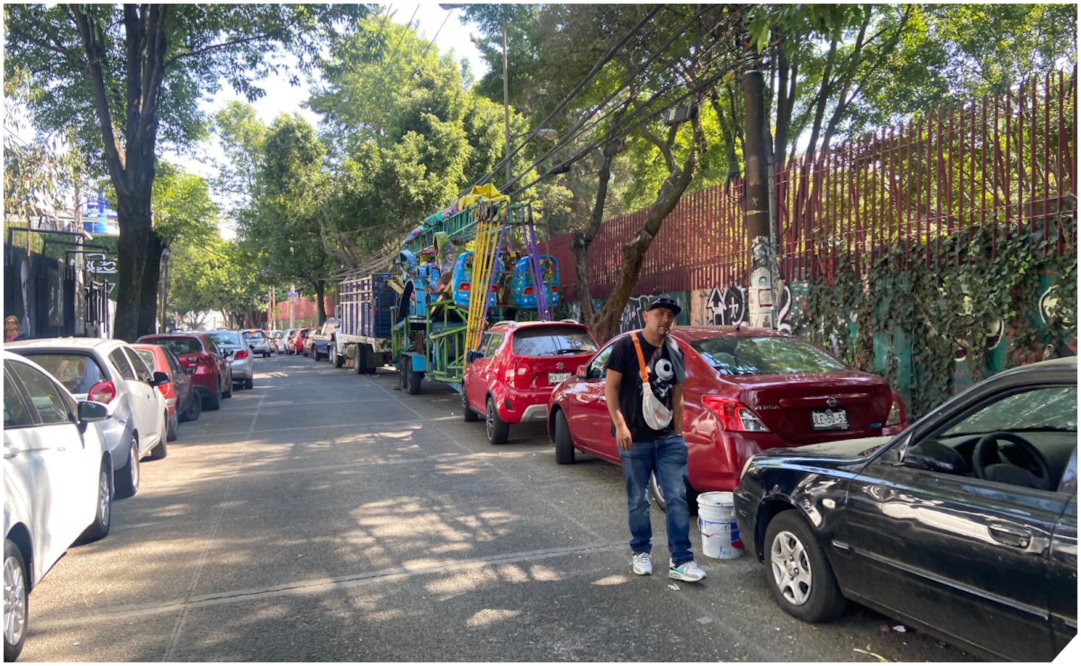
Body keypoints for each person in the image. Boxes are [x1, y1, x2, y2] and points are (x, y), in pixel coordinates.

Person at [604, 296, 706, 583]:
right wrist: (621, 426)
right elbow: (610, 389)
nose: (666, 319)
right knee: (638, 499)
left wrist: (678, 434)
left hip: (668, 441)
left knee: (677, 498)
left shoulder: (674, 349)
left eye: (670, 315)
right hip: (634, 439)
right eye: (660, 313)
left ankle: (682, 561)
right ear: (645, 315)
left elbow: (677, 395)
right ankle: (641, 551)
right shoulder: (626, 346)